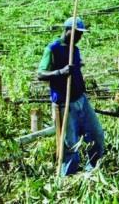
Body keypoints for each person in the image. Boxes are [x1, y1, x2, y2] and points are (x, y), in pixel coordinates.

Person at [37, 17, 104, 176]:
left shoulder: (75, 49)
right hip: (64, 104)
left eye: (81, 34)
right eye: (78, 33)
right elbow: (40, 74)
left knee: (96, 135)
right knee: (70, 145)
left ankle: (92, 170)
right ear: (68, 31)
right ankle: (67, 178)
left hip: (81, 99)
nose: (80, 37)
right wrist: (60, 72)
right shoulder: (53, 49)